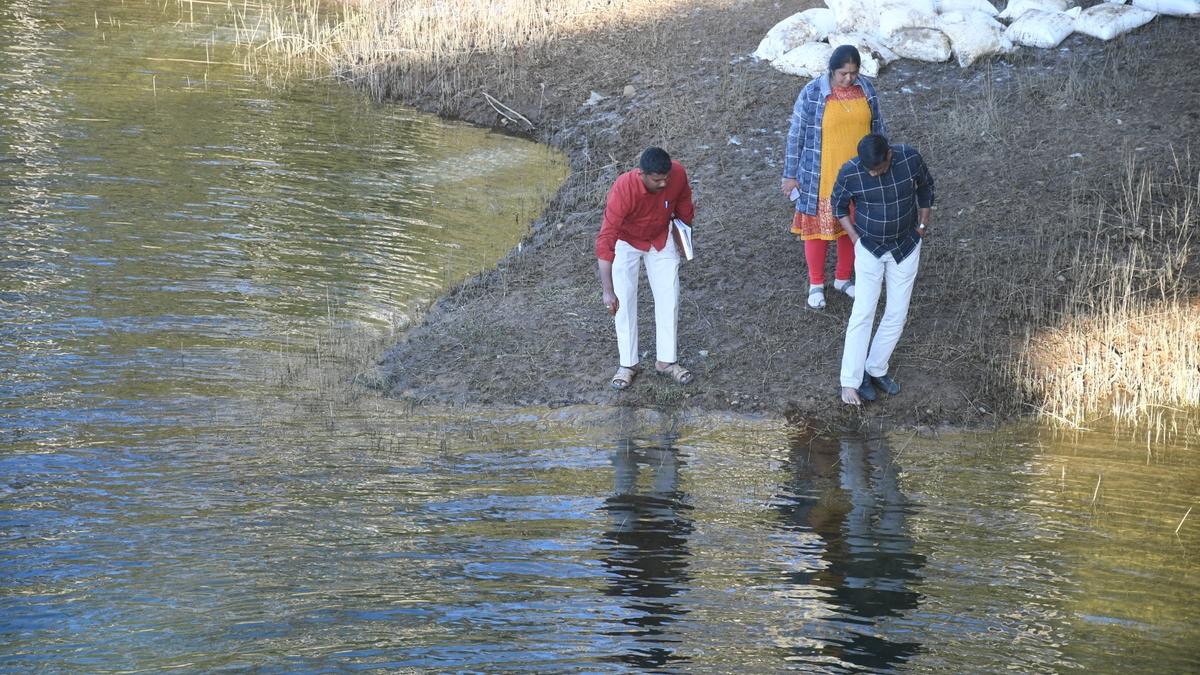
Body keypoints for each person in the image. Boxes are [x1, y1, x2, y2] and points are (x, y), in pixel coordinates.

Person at [781, 45, 888, 310]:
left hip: (860, 177)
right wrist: (790, 175)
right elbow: (796, 135)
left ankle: (842, 278)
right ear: (831, 70)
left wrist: (884, 160)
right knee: (817, 233)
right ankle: (816, 284)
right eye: (843, 73)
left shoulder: (867, 90)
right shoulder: (812, 93)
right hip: (822, 176)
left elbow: (878, 129)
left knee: (852, 229)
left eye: (853, 73)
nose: (849, 78)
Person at [831, 133, 935, 405]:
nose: (873, 174)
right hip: (869, 249)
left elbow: (926, 187)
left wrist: (922, 226)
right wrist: (855, 239)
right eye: (869, 170)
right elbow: (838, 206)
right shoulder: (851, 171)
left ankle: (876, 369)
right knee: (863, 312)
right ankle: (850, 382)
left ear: (889, 154)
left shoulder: (909, 158)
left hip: (906, 246)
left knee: (897, 312)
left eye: (878, 169)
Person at [596, 147, 695, 390]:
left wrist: (683, 236)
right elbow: (606, 238)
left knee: (669, 295)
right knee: (624, 299)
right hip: (626, 241)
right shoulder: (623, 188)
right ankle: (628, 364)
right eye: (657, 179)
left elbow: (684, 204)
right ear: (642, 174)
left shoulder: (677, 174)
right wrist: (608, 290)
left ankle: (666, 361)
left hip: (660, 237)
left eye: (666, 178)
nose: (663, 184)